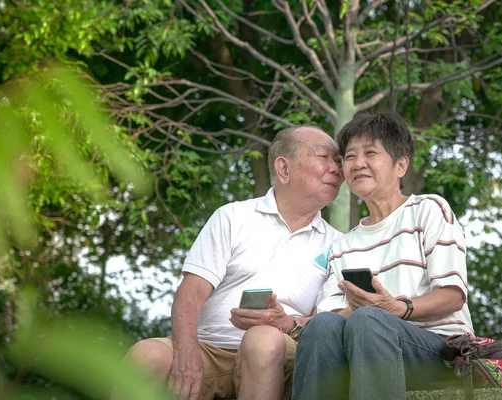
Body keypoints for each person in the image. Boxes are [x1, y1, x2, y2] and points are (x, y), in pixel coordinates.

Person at [115, 125, 344, 400]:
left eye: (339, 161)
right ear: (284, 168)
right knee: (146, 354)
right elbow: (191, 292)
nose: (336, 169)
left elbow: (326, 322)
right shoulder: (233, 217)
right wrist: (187, 355)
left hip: (283, 353)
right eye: (324, 158)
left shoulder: (339, 244)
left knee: (263, 339)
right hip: (211, 349)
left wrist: (286, 322)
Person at [292, 112, 475, 400]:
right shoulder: (343, 245)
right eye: (350, 156)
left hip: (440, 353)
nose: (358, 163)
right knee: (323, 325)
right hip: (363, 349)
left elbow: (453, 296)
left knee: (369, 320)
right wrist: (365, 307)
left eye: (371, 153)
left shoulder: (429, 210)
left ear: (401, 165)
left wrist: (394, 308)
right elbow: (332, 317)